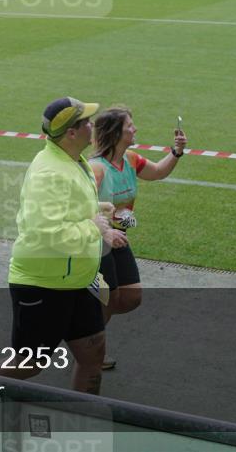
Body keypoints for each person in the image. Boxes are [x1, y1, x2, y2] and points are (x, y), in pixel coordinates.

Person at [0, 97, 127, 395]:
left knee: (92, 355)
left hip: (78, 281)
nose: (93, 126)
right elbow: (47, 232)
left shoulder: (72, 159)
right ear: (71, 132)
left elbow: (69, 208)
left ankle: (83, 422)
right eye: (87, 122)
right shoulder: (49, 173)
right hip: (44, 284)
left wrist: (99, 210)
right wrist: (93, 228)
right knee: (28, 364)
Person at [89, 106, 187, 370]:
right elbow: (78, 210)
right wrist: (105, 231)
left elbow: (157, 172)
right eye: (129, 126)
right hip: (95, 244)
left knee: (130, 297)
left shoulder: (130, 159)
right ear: (115, 132)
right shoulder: (96, 170)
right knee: (106, 299)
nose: (135, 129)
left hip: (117, 238)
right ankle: (89, 351)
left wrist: (176, 152)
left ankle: (82, 323)